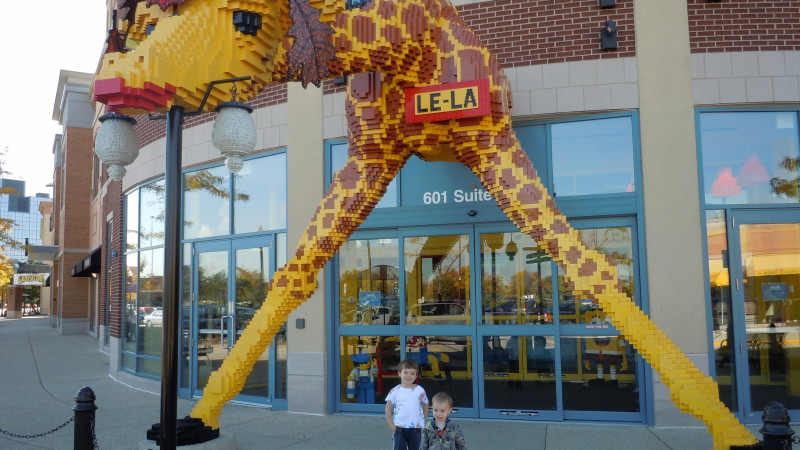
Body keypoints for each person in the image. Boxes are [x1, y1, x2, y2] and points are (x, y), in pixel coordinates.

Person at [385, 358, 429, 450]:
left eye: (412, 373)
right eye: (405, 372)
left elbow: (426, 403)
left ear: (416, 375)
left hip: (416, 428)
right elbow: (388, 409)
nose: (409, 376)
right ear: (399, 373)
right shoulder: (395, 391)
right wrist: (392, 425)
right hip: (399, 428)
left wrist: (424, 419)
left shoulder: (420, 390)